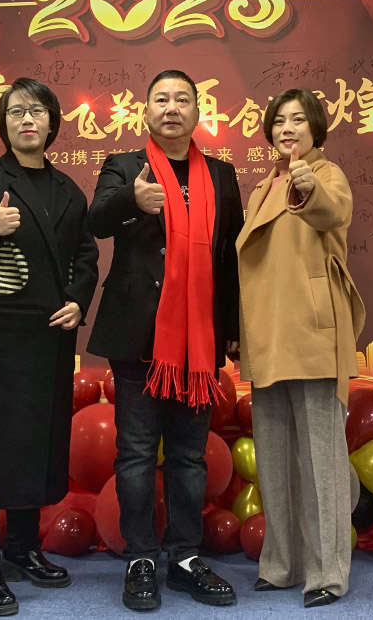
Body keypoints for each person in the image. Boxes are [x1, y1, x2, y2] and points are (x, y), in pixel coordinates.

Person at [87, 69, 244, 611]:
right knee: (134, 454)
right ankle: (141, 559)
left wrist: (231, 331)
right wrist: (132, 201)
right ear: (146, 111)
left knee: (188, 456)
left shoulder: (221, 175)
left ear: (198, 112)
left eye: (182, 99)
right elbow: (96, 220)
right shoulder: (124, 165)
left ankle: (183, 558)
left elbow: (230, 258)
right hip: (138, 335)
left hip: (199, 338)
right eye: (161, 99)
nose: (171, 108)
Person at [0, 77, 99, 617]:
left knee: (35, 443)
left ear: (52, 123)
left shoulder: (69, 190)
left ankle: (21, 549)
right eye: (16, 112)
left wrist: (78, 300)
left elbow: (86, 255)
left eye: (36, 111)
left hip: (50, 337)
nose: (27, 119)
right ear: (3, 123)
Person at [234, 88, 365, 608]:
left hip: (312, 330)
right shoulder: (262, 187)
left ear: (315, 129)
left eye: (297, 120)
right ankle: (281, 564)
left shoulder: (325, 175)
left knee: (322, 457)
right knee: (273, 456)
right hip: (266, 332)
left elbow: (332, 213)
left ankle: (327, 572)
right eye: (279, 121)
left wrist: (308, 187)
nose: (287, 129)